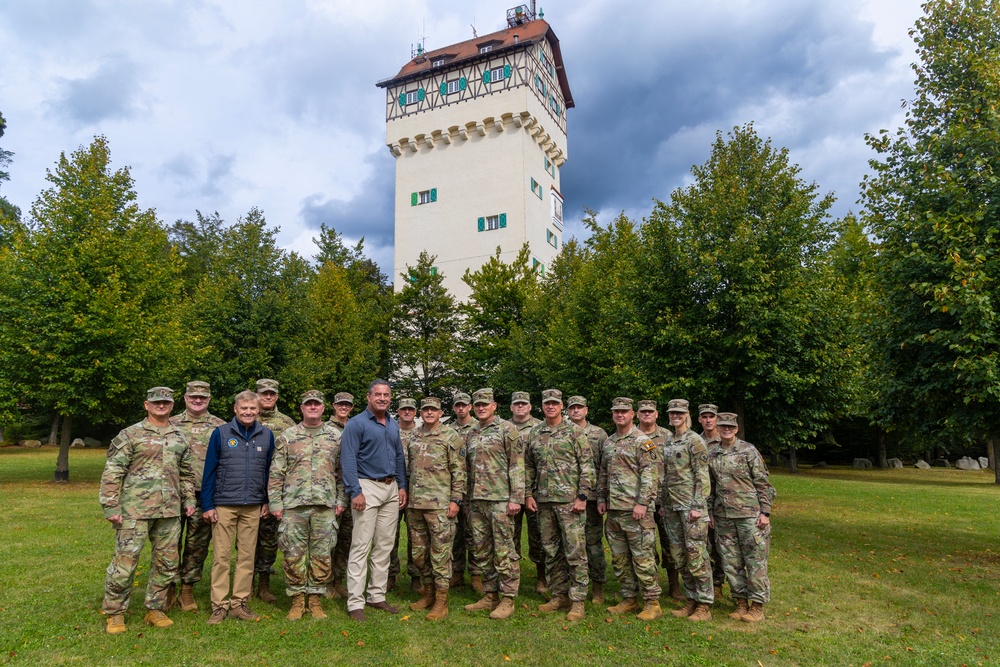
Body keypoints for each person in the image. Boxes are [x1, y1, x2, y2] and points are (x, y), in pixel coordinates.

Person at [100, 387, 195, 634]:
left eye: (165, 402)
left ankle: (155, 608)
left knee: (166, 563)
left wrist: (188, 500)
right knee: (125, 563)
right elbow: (113, 472)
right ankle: (115, 612)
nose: (161, 405)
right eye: (156, 402)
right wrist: (111, 505)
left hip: (169, 511)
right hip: (135, 511)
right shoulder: (130, 434)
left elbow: (185, 473)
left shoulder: (180, 436)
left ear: (173, 404)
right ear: (146, 405)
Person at [268, 390, 347, 620]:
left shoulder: (335, 437)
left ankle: (314, 600)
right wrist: (275, 503)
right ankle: (296, 600)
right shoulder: (287, 437)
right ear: (302, 408)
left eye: (317, 404)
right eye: (308, 404)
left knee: (322, 555)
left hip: (325, 505)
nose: (313, 407)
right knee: (293, 555)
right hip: (293, 505)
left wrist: (341, 500)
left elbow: (342, 473)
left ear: (323, 408)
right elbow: (276, 472)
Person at [201, 390, 275, 625]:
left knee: (246, 556)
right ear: (235, 409)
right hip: (224, 504)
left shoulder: (266, 435)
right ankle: (219, 605)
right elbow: (209, 471)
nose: (248, 412)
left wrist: (266, 500)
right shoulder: (221, 433)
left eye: (252, 408)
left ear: (258, 410)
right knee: (222, 557)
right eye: (244, 408)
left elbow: (269, 472)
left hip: (253, 505)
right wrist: (208, 504)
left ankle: (239, 603)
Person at [340, 379, 408, 622]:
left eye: (386, 394)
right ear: (368, 397)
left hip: (391, 489)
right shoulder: (356, 424)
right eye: (377, 394)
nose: (382, 398)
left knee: (385, 546)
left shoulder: (391, 423)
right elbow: (347, 459)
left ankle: (376, 595)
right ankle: (355, 602)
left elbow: (399, 456)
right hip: (366, 486)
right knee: (361, 545)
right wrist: (354, 491)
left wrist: (402, 485)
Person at [525, 389, 594, 621]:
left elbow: (587, 465)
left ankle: (577, 600)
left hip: (570, 503)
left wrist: (582, 496)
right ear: (542, 406)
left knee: (575, 552)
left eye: (555, 403)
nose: (551, 407)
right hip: (544, 502)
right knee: (551, 551)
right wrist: (528, 494)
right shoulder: (535, 433)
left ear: (561, 405)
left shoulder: (574, 432)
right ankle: (558, 595)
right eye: (547, 403)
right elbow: (528, 467)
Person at [598, 397, 662, 621]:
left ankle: (652, 602)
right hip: (615, 511)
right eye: (616, 411)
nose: (620, 415)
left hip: (636, 511)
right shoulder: (609, 442)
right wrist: (601, 498)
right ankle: (629, 598)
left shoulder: (642, 442)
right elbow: (603, 474)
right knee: (620, 558)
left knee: (643, 558)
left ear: (632, 414)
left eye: (624, 411)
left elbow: (650, 474)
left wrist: (643, 503)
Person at [708, 413, 776, 623]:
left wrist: (765, 512)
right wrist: (710, 512)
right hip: (723, 516)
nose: (726, 430)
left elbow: (763, 483)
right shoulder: (713, 453)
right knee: (730, 561)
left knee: (755, 560)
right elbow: (710, 486)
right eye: (723, 426)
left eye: (730, 427)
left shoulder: (748, 450)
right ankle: (740, 602)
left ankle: (757, 605)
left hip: (750, 515)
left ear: (736, 429)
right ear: (718, 429)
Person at [463, 388, 524, 620]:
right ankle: (490, 594)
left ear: (494, 406)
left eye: (484, 404)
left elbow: (516, 465)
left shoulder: (507, 430)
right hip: (477, 501)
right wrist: (467, 499)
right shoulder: (471, 433)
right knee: (482, 550)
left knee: (505, 551)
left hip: (500, 500)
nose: (480, 408)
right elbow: (467, 469)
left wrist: (516, 498)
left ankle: (508, 598)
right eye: (477, 404)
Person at [167, 381, 226, 613]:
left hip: (204, 493)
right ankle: (168, 587)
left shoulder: (220, 427)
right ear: (185, 398)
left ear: (209, 399)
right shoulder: (170, 424)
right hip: (174, 493)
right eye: (194, 397)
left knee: (197, 544)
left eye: (202, 397)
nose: (198, 400)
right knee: (169, 543)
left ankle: (187, 589)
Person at [406, 397, 466, 620]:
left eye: (434, 410)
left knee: (440, 555)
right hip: (416, 505)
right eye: (426, 409)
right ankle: (429, 593)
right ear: (421, 413)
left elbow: (459, 471)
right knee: (419, 555)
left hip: (440, 506)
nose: (429, 413)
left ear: (441, 413)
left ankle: (442, 602)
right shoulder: (414, 435)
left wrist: (455, 500)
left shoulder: (450, 436)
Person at [659, 399, 713, 622]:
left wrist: (699, 506)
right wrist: (663, 503)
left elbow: (702, 475)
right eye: (672, 413)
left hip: (692, 509)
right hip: (672, 506)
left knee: (696, 555)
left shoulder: (695, 440)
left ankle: (704, 604)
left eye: (679, 413)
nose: (675, 416)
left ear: (687, 414)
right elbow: (666, 476)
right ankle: (691, 599)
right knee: (679, 555)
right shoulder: (669, 440)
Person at [254, 378, 296, 603]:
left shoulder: (287, 423)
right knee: (247, 541)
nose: (268, 397)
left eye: (271, 393)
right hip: (249, 488)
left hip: (275, 489)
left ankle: (264, 584)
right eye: (264, 393)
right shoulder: (248, 416)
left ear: (277, 396)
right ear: (257, 395)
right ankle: (245, 583)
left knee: (269, 540)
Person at [636, 399, 682, 601]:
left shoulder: (668, 437)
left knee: (670, 543)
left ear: (656, 414)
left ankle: (674, 585)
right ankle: (647, 584)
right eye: (643, 411)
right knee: (644, 545)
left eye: (650, 411)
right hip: (639, 501)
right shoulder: (631, 436)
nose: (647, 414)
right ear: (637, 414)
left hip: (665, 499)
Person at [566, 395, 609, 604]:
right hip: (566, 498)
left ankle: (598, 585)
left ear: (586, 410)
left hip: (590, 499)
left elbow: (603, 467)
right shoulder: (562, 432)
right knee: (571, 543)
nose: (576, 411)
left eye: (579, 408)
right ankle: (570, 584)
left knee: (592, 543)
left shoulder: (598, 434)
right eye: (572, 408)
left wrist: (601, 496)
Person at [508, 391, 546, 594]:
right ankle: (511, 578)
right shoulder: (503, 428)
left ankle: (542, 577)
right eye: (517, 404)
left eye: (524, 404)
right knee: (509, 536)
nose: (520, 407)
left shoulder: (540, 428)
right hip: (509, 491)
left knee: (538, 535)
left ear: (530, 407)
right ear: (511, 407)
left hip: (535, 491)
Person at [326, 391, 355, 600]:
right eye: (340, 404)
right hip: (331, 491)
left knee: (347, 539)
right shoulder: (325, 429)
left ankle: (338, 581)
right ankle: (325, 582)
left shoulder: (355, 427)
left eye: (347, 405)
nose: (343, 408)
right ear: (334, 406)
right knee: (328, 540)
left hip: (352, 490)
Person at [449, 392, 478, 591]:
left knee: (475, 534)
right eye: (457, 405)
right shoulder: (448, 430)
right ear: (454, 408)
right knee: (455, 533)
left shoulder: (479, 427)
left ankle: (476, 575)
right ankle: (457, 573)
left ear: (470, 407)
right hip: (453, 490)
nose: (461, 408)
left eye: (464, 405)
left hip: (475, 489)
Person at [698, 403, 725, 599]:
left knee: (719, 546)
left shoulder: (724, 441)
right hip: (700, 501)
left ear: (717, 419)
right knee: (703, 544)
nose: (708, 420)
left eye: (711, 416)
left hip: (721, 502)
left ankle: (718, 584)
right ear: (699, 419)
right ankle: (706, 584)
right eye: (704, 416)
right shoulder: (695, 441)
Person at [391, 397, 418, 592]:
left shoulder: (422, 432)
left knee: (415, 535)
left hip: (418, 489)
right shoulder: (390, 430)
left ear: (415, 411)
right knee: (389, 534)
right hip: (392, 487)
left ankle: (416, 575)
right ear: (398, 412)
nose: (407, 412)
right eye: (403, 409)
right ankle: (390, 574)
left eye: (410, 409)